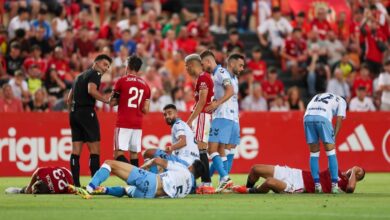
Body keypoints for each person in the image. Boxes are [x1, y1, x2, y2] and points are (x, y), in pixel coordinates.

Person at [67, 54, 112, 187]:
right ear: (96, 63)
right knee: (95, 150)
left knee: (76, 151)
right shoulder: (95, 74)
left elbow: (69, 99)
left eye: (108, 66)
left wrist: (75, 112)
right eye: (104, 64)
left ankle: (76, 185)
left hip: (74, 113)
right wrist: (106, 100)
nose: (106, 68)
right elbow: (91, 90)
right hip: (87, 112)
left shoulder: (79, 76)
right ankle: (94, 184)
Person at [71, 158, 206, 199]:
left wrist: (146, 165)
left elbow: (159, 160)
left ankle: (88, 189)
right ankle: (103, 190)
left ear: (191, 166)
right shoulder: (188, 189)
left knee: (109, 164)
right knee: (125, 190)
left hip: (150, 180)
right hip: (149, 195)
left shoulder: (183, 169)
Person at [200, 50, 234, 192]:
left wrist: (216, 103)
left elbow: (230, 90)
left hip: (223, 115)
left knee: (211, 149)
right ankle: (223, 181)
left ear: (208, 61)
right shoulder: (216, 74)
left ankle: (225, 177)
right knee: (220, 150)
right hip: (226, 115)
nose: (203, 67)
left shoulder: (220, 72)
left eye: (203, 64)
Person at [109, 55, 151, 166]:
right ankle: (137, 181)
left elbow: (111, 102)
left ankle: (135, 174)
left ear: (128, 66)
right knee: (134, 154)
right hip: (137, 123)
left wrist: (121, 99)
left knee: (118, 155)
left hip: (124, 122)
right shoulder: (146, 86)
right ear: (139, 69)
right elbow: (146, 110)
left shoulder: (121, 81)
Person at [304, 93, 347, 193]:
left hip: (307, 117)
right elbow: (339, 120)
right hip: (323, 117)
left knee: (314, 153)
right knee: (331, 152)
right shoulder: (342, 100)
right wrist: (333, 137)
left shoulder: (320, 95)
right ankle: (335, 186)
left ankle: (317, 186)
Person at [184, 53, 214, 193]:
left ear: (191, 65)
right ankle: (204, 182)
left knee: (201, 148)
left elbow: (202, 101)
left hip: (203, 116)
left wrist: (190, 120)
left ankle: (206, 183)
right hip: (203, 116)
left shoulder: (203, 77)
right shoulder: (203, 77)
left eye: (186, 66)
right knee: (200, 149)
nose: (186, 69)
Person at [232, 164, 365, 194]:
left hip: (297, 185)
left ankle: (250, 191)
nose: (354, 169)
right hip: (295, 173)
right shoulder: (338, 172)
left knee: (269, 182)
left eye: (358, 172)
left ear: (357, 178)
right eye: (355, 169)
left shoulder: (343, 186)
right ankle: (248, 187)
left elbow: (351, 188)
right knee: (256, 169)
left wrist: (354, 171)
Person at [143, 104, 200, 169]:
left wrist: (171, 148)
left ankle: (152, 176)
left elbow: (183, 142)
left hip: (184, 161)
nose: (167, 116)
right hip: (193, 164)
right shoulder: (183, 124)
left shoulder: (177, 124)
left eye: (169, 113)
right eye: (165, 115)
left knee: (148, 153)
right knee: (161, 164)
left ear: (176, 114)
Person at [5, 166, 74, 194]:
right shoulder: (45, 176)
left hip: (67, 175)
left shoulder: (54, 190)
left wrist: (29, 187)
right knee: (31, 188)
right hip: (65, 171)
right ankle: (24, 189)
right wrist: (30, 186)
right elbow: (37, 171)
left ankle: (21, 190)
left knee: (30, 189)